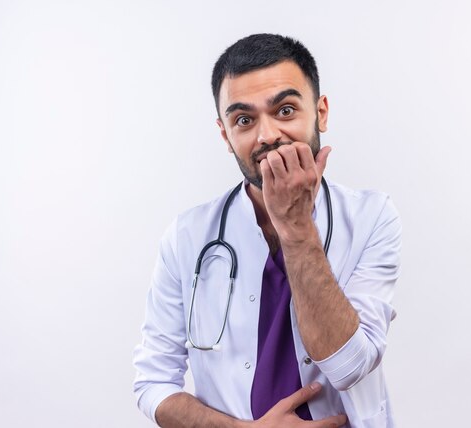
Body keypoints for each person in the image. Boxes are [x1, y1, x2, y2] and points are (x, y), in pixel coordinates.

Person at [133, 33, 402, 427]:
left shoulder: (372, 217)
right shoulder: (187, 236)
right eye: (244, 120)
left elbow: (348, 366)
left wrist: (295, 228)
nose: (267, 135)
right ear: (226, 135)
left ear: (321, 112)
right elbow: (152, 384)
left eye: (286, 110)